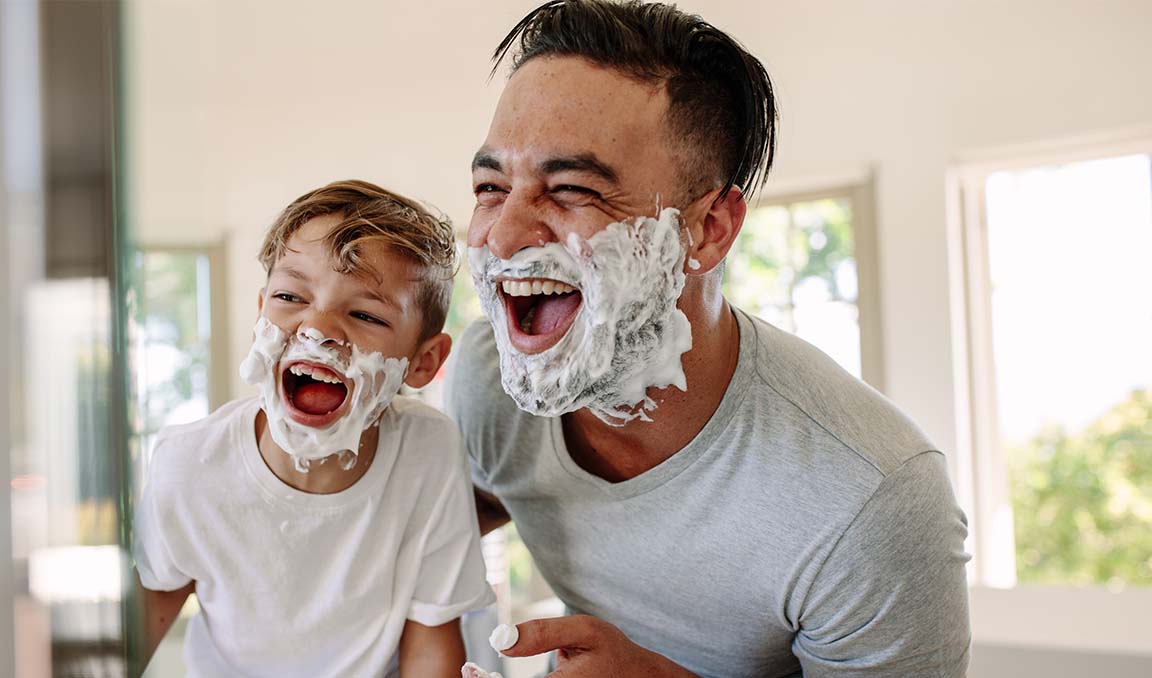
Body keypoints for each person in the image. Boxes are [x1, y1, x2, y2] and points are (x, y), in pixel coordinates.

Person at [445, 1, 971, 676]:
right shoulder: (489, 382)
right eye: (491, 187)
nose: (502, 234)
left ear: (709, 229)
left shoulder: (871, 497)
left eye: (571, 189)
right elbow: (451, 510)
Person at [133, 180, 495, 677]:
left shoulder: (427, 452)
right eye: (289, 296)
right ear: (261, 313)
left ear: (423, 362)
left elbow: (430, 638)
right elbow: (133, 632)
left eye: (365, 313)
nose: (317, 329)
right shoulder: (190, 465)